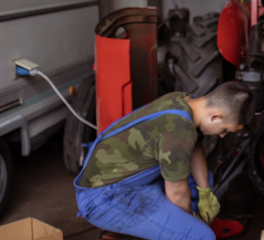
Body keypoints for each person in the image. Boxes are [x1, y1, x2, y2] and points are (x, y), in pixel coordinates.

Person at [74, 81, 253, 240]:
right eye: (226, 130)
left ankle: (157, 226)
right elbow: (177, 194)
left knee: (202, 181)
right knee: (201, 236)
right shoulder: (178, 131)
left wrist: (205, 191)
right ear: (215, 116)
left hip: (121, 180)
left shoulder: (185, 101)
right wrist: (186, 227)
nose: (222, 135)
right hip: (105, 198)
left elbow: (194, 144)